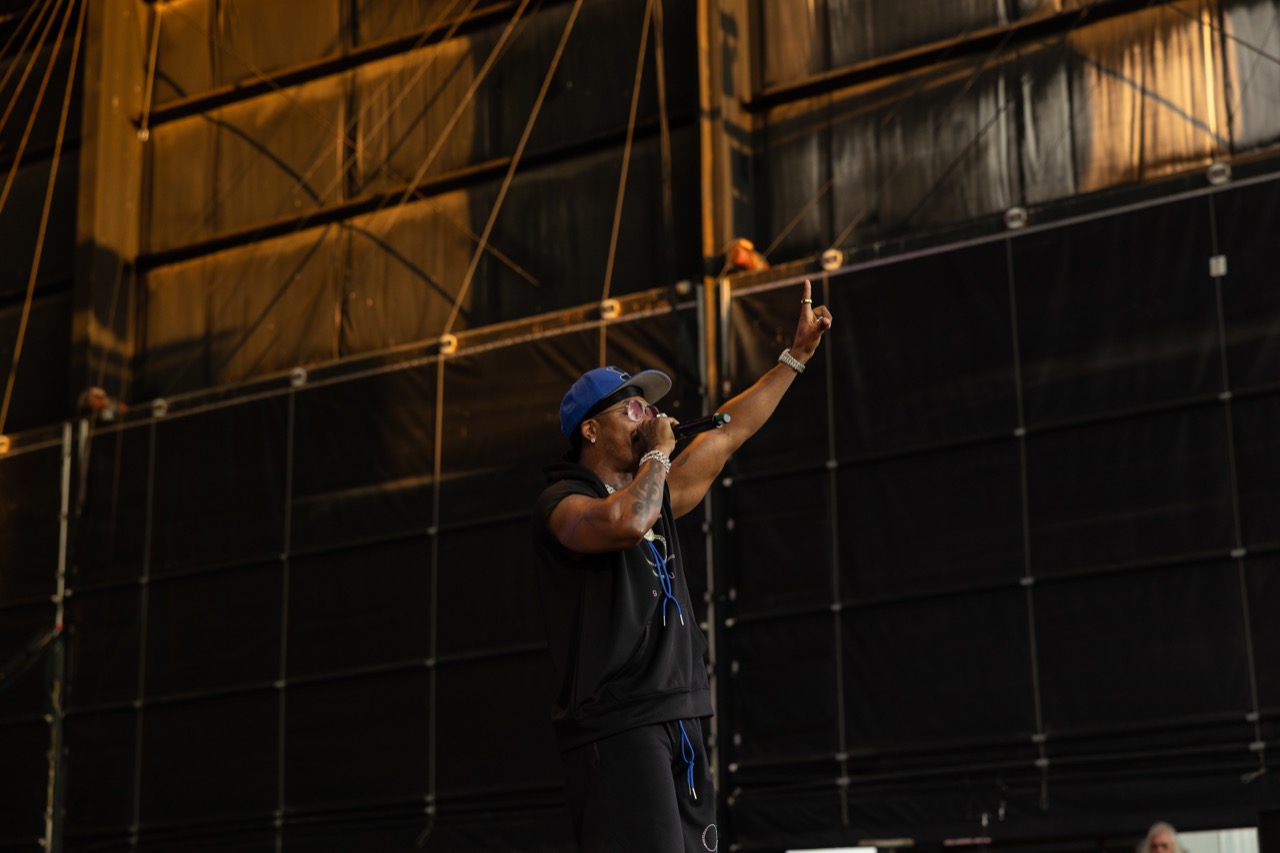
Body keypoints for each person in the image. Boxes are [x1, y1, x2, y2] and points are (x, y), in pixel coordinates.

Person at [531, 280, 832, 852]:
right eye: (632, 409)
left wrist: (794, 358)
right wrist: (656, 452)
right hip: (618, 724)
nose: (649, 417)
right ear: (590, 430)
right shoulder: (563, 502)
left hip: (680, 712)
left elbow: (728, 432)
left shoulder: (656, 491)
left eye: (649, 408)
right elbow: (625, 521)